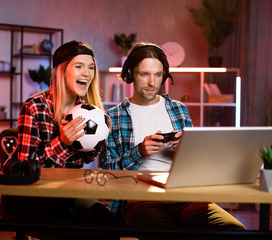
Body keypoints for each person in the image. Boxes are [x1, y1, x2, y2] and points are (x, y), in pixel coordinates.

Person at [101, 42, 245, 234]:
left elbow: (197, 162)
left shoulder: (178, 109)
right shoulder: (114, 116)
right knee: (165, 234)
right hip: (142, 201)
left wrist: (186, 149)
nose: (153, 83)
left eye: (158, 75)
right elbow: (107, 171)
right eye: (144, 74)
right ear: (130, 75)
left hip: (187, 196)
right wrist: (139, 152)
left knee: (234, 230)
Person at [16, 40, 117, 239]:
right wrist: (62, 143)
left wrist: (102, 135)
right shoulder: (35, 107)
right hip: (38, 195)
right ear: (61, 71)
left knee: (109, 225)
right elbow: (24, 169)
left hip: (71, 191)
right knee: (66, 230)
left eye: (91, 67)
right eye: (79, 66)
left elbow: (87, 159)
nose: (87, 73)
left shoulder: (89, 111)